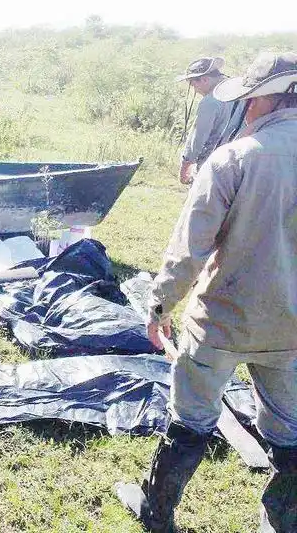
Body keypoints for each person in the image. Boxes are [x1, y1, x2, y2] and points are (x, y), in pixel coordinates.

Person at [115, 51, 297, 532]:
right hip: (292, 328)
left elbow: (188, 251)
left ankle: (158, 516)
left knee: (191, 419)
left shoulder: (235, 159)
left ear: (260, 102)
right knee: (289, 429)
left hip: (221, 319)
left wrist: (158, 305)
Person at [175, 57, 243, 184]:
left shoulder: (210, 101)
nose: (195, 90)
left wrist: (187, 163)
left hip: (212, 162)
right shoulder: (242, 95)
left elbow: (199, 137)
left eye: (193, 84)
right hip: (238, 163)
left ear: (205, 79)